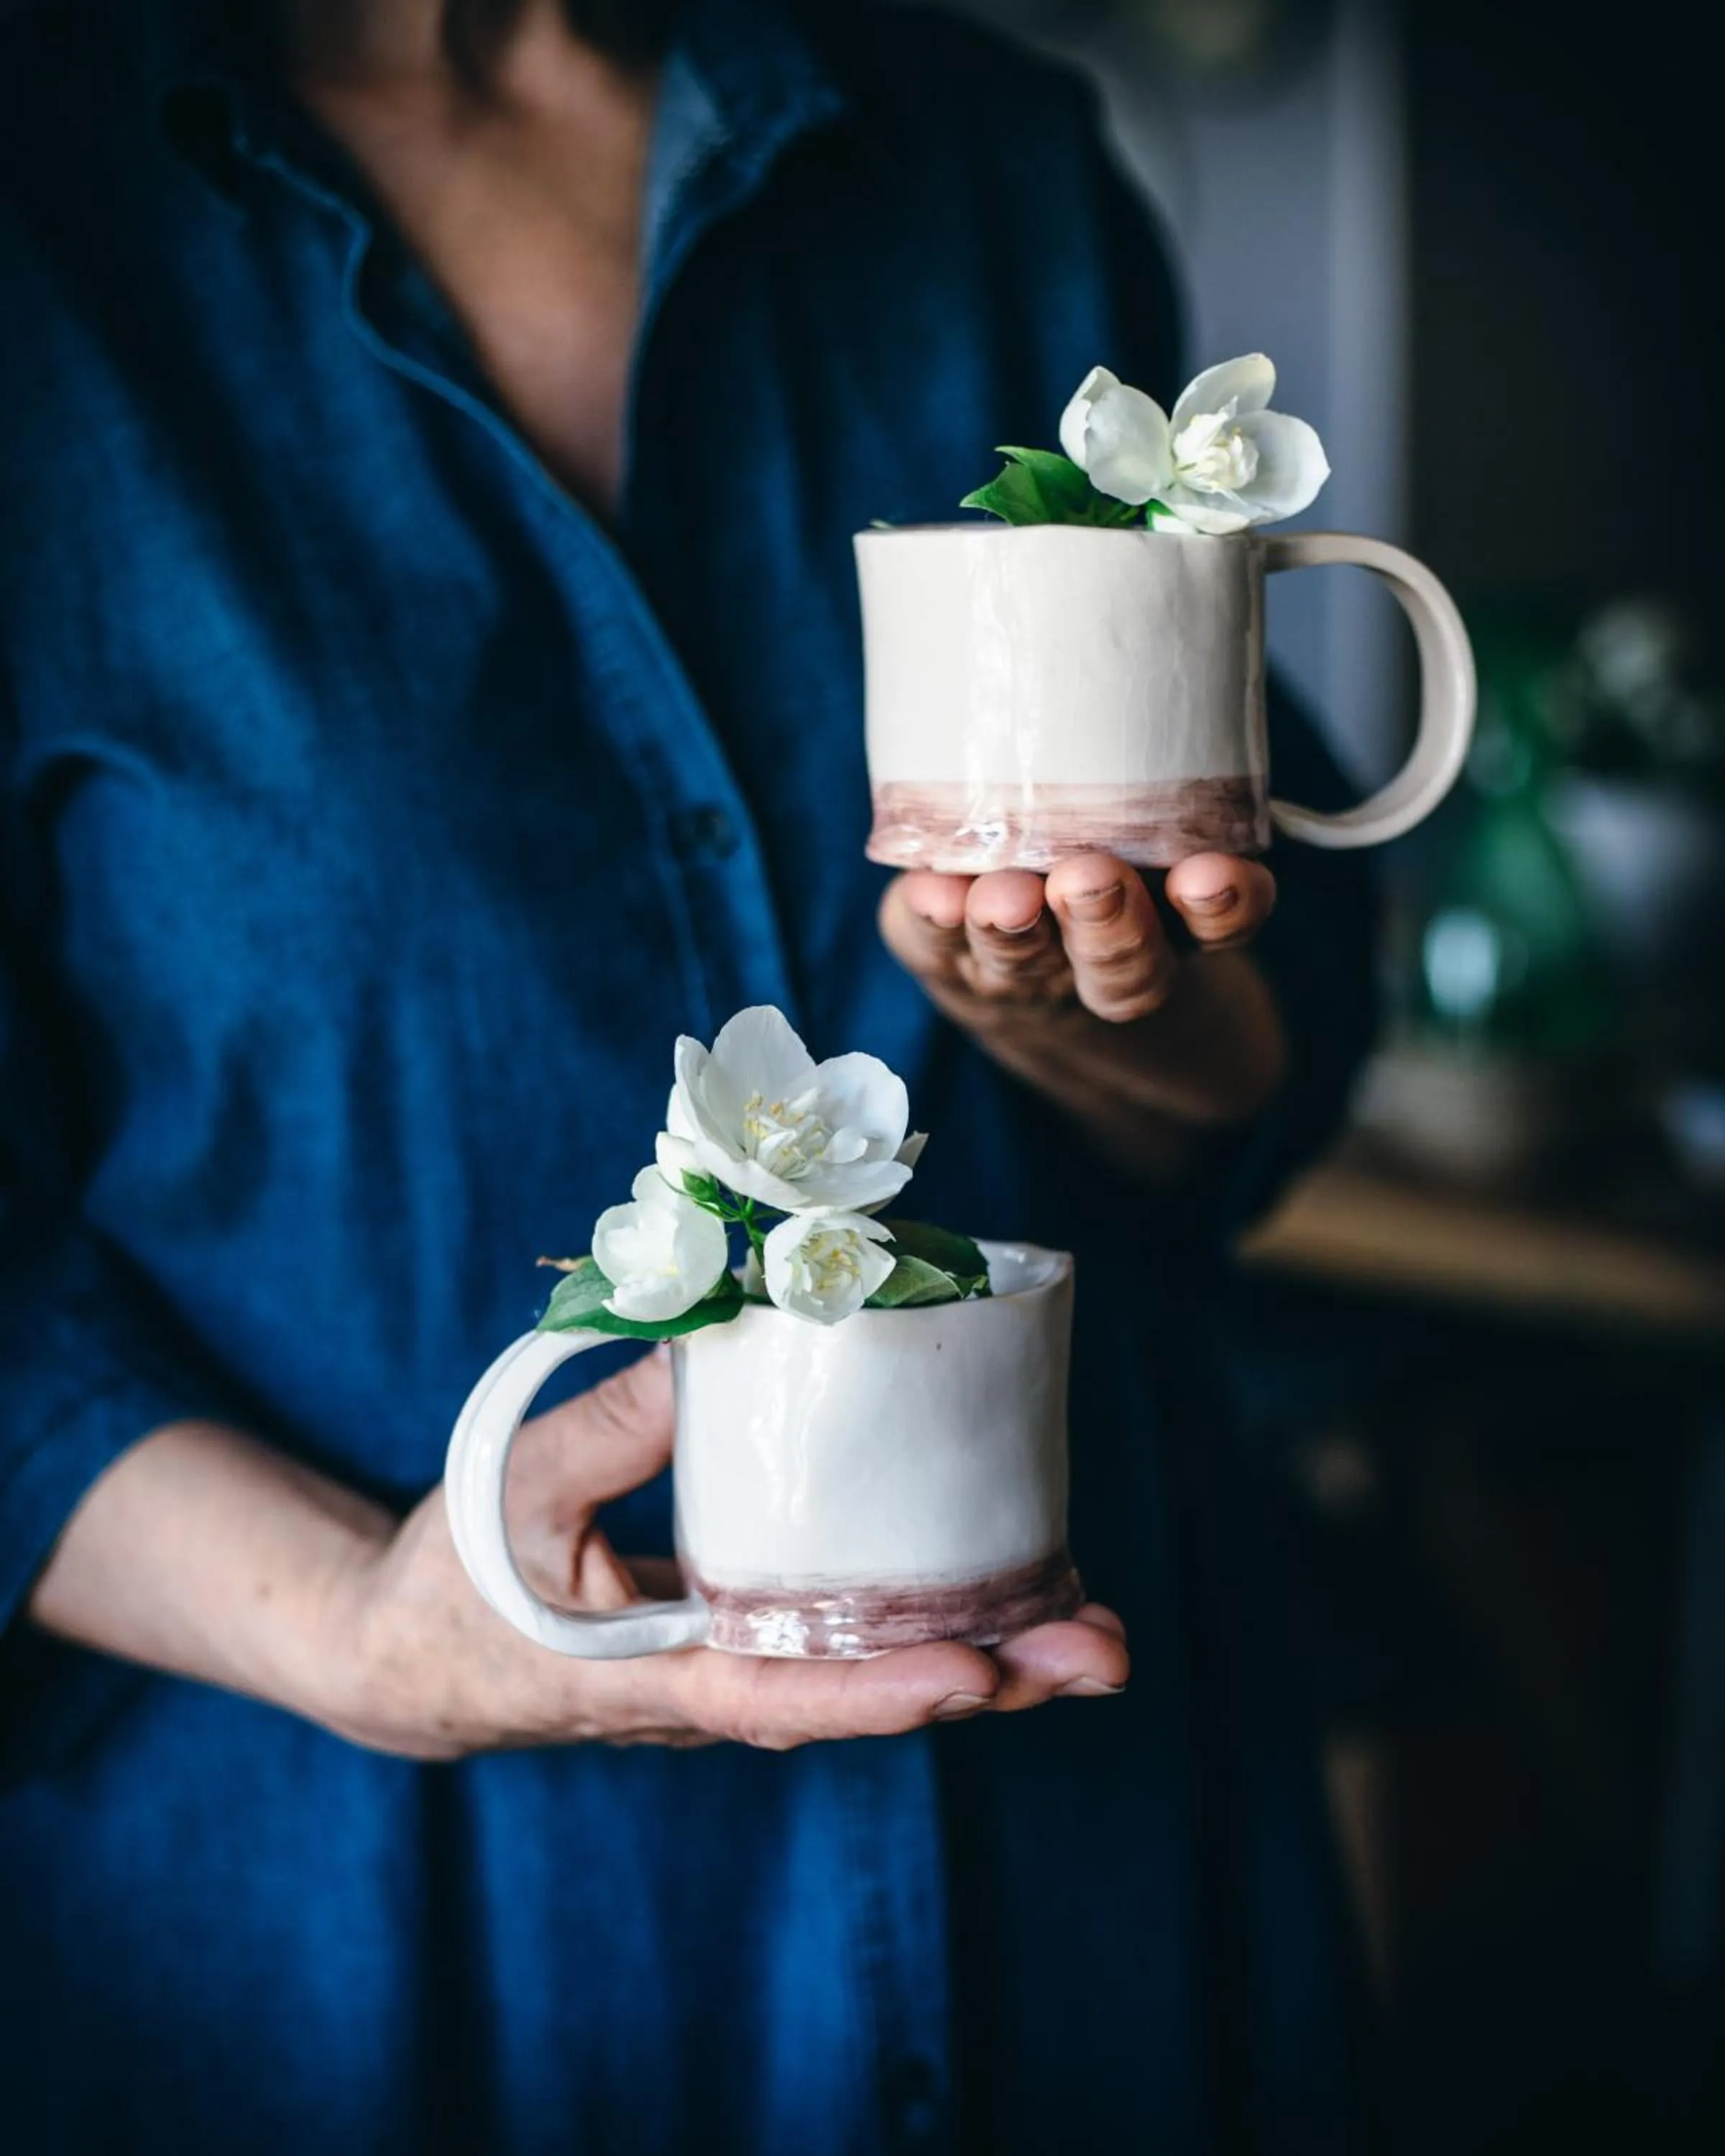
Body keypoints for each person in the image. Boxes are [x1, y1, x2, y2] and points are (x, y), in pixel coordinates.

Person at [0, 0, 1378, 2148]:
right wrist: (362, 1624)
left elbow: (1241, 1064)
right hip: (356, 1939)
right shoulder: (50, 218)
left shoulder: (995, 166)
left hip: (1089, 1873)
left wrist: (1105, 1022)